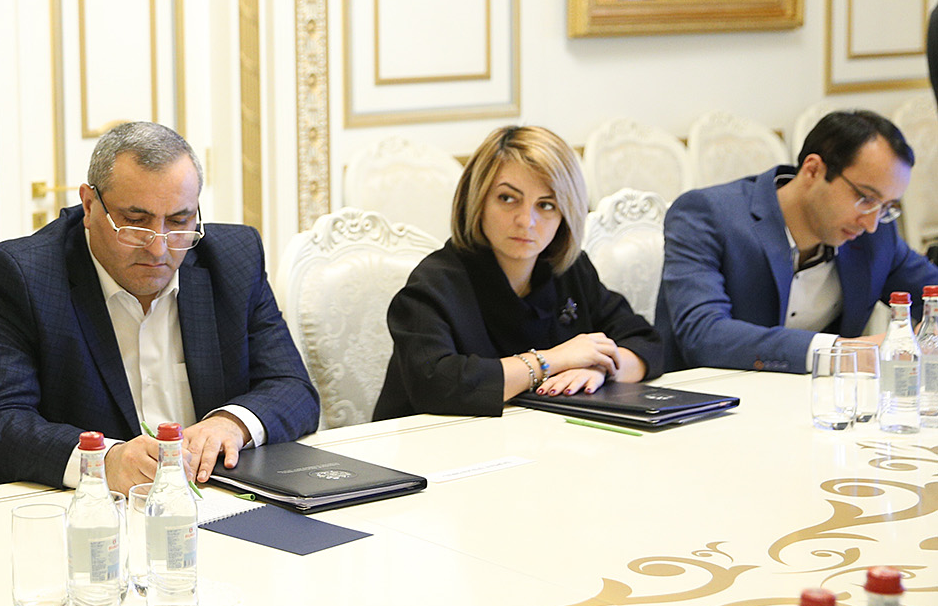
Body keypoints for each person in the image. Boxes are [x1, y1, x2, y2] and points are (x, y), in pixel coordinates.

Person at [0, 122, 320, 494]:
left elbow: (292, 387)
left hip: (206, 497)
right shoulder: (18, 275)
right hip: (65, 507)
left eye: (179, 221)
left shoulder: (234, 258)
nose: (158, 248)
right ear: (89, 205)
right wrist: (104, 461)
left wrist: (231, 423)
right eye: (136, 222)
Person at [372, 125, 661, 420]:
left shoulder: (570, 270)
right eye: (507, 198)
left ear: (566, 214)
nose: (526, 220)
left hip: (537, 437)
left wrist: (599, 369)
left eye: (546, 205)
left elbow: (646, 344)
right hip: (430, 442)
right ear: (477, 200)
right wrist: (553, 360)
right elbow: (437, 385)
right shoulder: (434, 283)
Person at [657, 109, 938, 372]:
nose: (872, 223)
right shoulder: (706, 215)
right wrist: (838, 353)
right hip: (707, 397)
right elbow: (704, 335)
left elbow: (932, 295)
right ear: (813, 170)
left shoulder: (875, 236)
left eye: (886, 207)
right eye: (865, 198)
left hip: (818, 399)